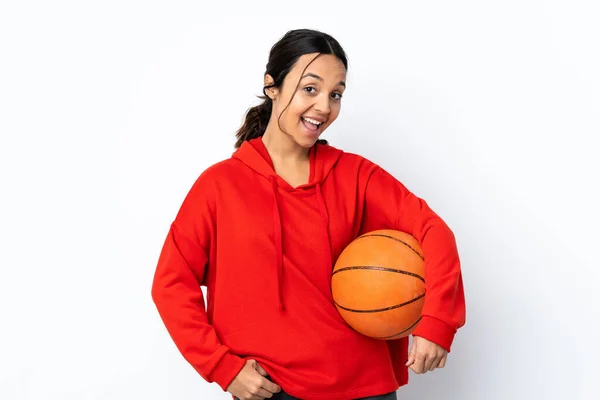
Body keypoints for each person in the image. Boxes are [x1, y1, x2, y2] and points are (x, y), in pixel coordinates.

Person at [151, 28, 466, 400]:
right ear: (272, 86)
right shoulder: (219, 185)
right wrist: (222, 366)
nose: (324, 107)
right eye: (310, 89)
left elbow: (432, 230)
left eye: (336, 95)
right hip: (271, 389)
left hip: (366, 388)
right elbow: (171, 284)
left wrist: (436, 323)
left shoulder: (355, 175)